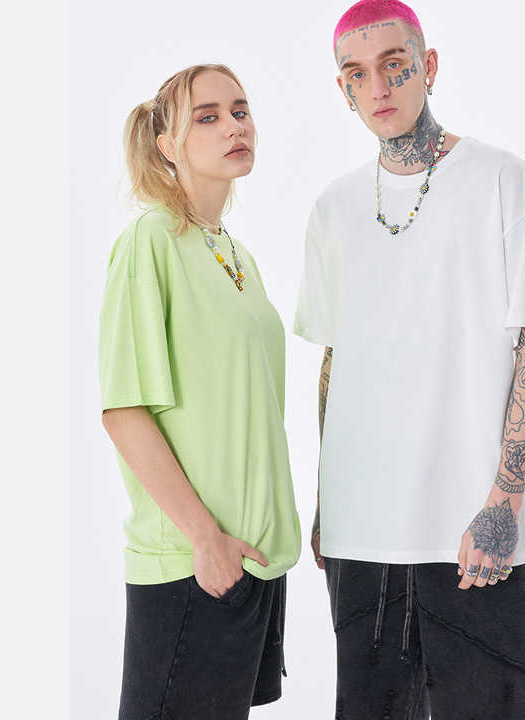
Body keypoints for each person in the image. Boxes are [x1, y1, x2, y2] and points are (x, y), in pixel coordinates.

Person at [293, 2, 525, 718]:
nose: (379, 86)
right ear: (343, 90)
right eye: (357, 74)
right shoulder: (333, 208)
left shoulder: (502, 179)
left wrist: (504, 501)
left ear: (429, 66)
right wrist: (327, 501)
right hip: (362, 543)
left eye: (395, 65)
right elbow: (335, 362)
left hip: (475, 533)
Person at [98, 64, 301, 720]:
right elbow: (125, 411)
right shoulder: (150, 240)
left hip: (251, 563)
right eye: (207, 117)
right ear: (167, 144)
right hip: (192, 562)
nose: (233, 126)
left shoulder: (237, 256)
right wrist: (205, 539)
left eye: (239, 110)